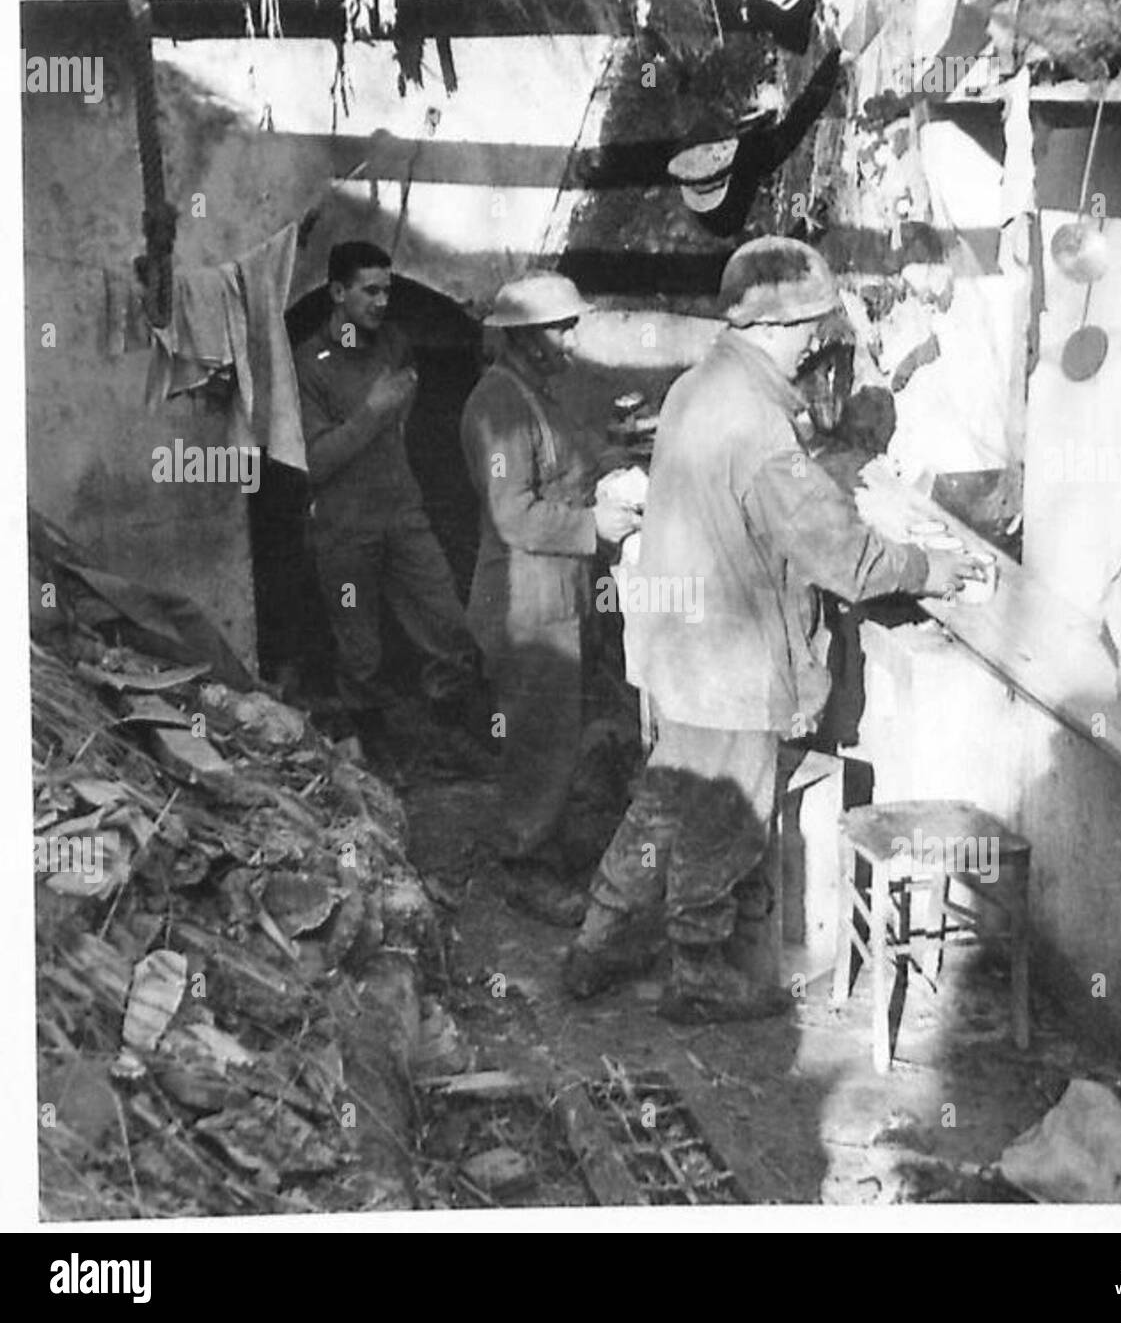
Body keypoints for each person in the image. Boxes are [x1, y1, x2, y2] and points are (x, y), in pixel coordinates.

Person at [562, 236, 981, 1023]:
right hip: (726, 657)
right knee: (724, 819)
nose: (814, 343)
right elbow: (839, 552)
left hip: (680, 647)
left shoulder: (695, 387)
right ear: (770, 329)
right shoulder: (753, 420)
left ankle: (597, 942)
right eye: (807, 329)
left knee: (663, 800)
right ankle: (697, 972)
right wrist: (926, 567)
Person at [460, 273, 639, 925]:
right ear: (526, 337)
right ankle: (524, 868)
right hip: (524, 603)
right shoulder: (497, 406)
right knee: (537, 739)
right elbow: (513, 516)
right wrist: (597, 527)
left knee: (559, 732)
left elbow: (574, 448)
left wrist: (615, 459)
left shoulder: (537, 394)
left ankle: (546, 842)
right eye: (562, 329)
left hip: (558, 593)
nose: (572, 339)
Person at [294, 241, 481, 767]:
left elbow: (406, 410)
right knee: (361, 650)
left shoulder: (394, 344)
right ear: (336, 292)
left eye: (386, 290)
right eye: (369, 290)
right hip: (344, 527)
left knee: (447, 623)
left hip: (402, 513)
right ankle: (378, 759)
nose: (380, 302)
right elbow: (316, 460)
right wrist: (374, 411)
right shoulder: (310, 365)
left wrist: (391, 416)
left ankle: (449, 735)